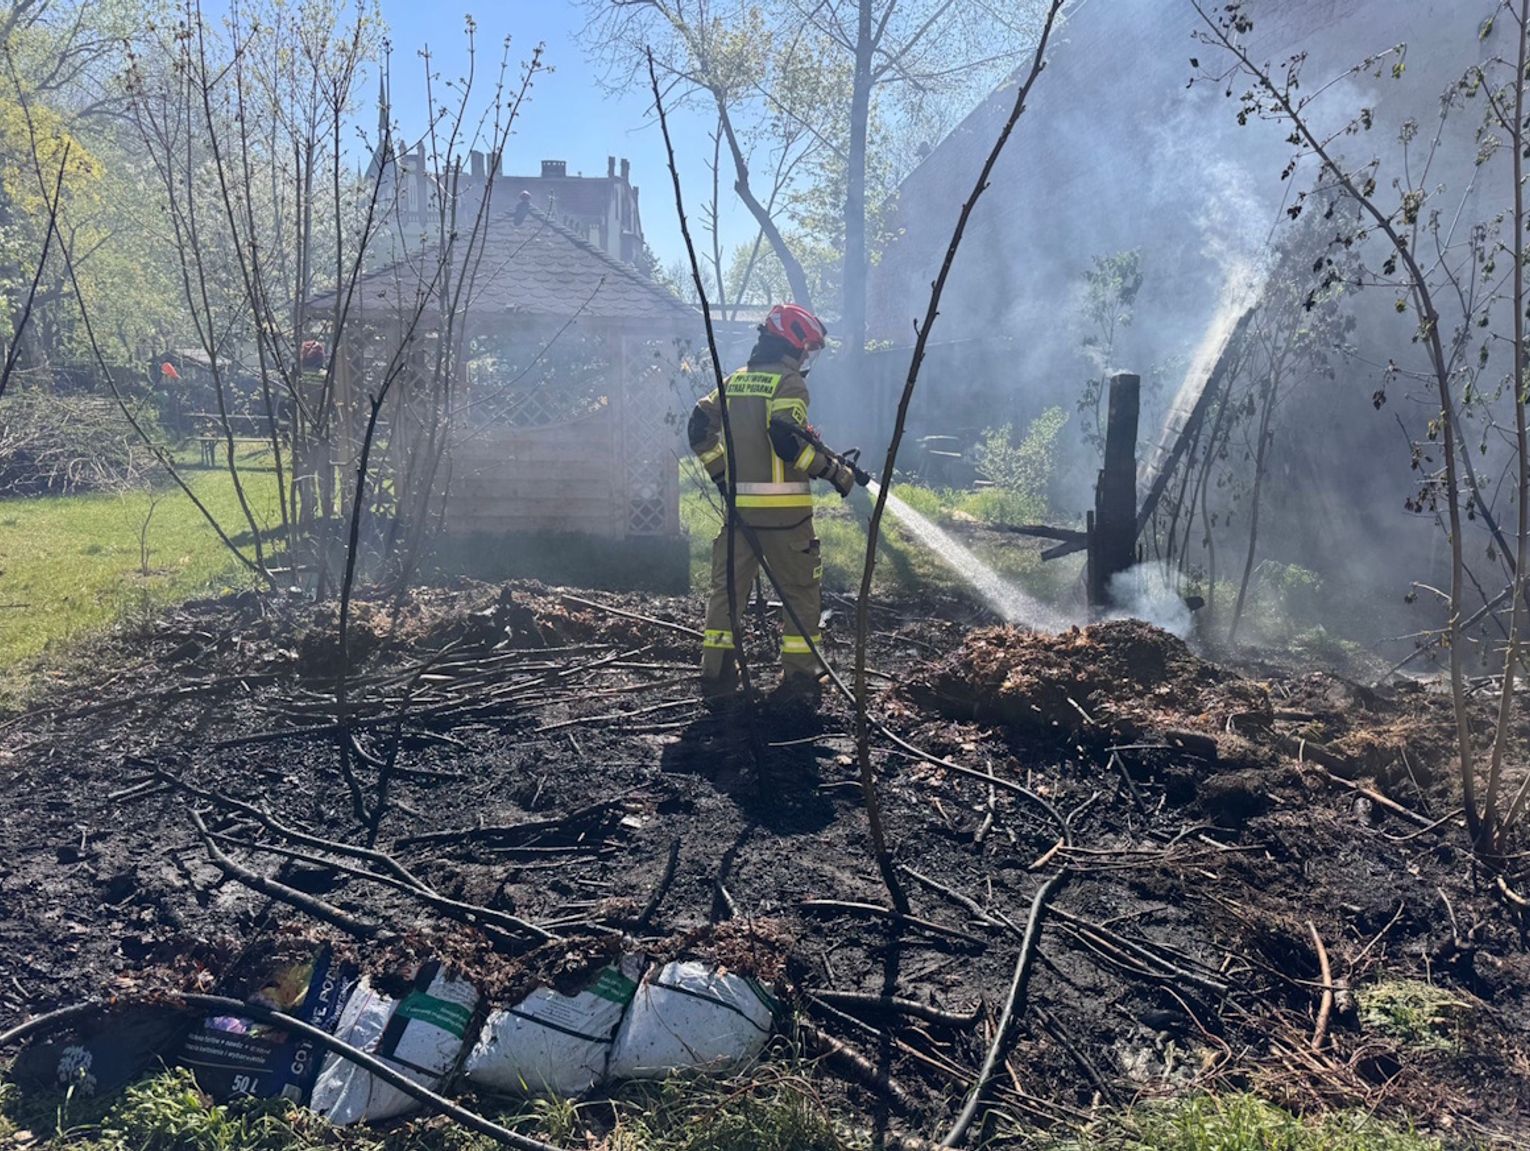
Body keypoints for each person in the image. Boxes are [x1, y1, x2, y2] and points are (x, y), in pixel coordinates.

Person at [688, 303, 863, 701]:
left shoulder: (733, 382)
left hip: (740, 520)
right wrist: (835, 472)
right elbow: (786, 443)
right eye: (807, 349)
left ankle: (716, 676)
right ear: (793, 344)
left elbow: (698, 427)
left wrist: (721, 478)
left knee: (727, 595)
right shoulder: (790, 384)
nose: (807, 358)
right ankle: (800, 680)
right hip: (788, 523)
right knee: (800, 595)